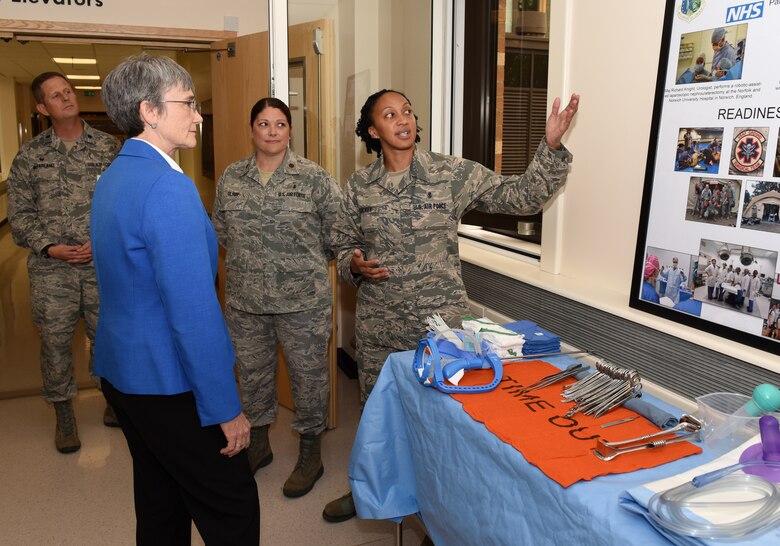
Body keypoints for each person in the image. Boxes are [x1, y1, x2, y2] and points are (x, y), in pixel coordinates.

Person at [323, 88, 579, 522]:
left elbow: (521, 197)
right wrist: (355, 264)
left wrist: (550, 147)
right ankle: (370, 488)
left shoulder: (450, 173)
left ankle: (443, 508)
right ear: (373, 130)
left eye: (407, 110)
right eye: (390, 114)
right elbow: (341, 243)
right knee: (378, 416)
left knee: (446, 419)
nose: (403, 119)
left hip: (441, 327)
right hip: (379, 326)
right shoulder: (359, 186)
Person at [90, 54, 259, 544]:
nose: (198, 115)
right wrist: (224, 408)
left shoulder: (113, 177)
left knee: (160, 498)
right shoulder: (168, 187)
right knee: (232, 506)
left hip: (123, 373)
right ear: (149, 111)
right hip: (169, 382)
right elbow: (193, 313)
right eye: (188, 103)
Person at [212, 97, 343, 498]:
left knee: (308, 380)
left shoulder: (313, 178)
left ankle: (310, 452)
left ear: (290, 131)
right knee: (252, 377)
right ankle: (259, 446)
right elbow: (220, 232)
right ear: (252, 129)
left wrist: (296, 267)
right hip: (246, 302)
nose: (272, 131)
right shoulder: (232, 178)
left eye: (280, 124)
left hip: (302, 303)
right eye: (264, 124)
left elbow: (337, 235)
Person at [7, 72, 121, 454]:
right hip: (51, 271)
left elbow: (124, 204)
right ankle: (64, 415)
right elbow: (20, 216)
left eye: (68, 91)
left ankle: (114, 401)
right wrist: (50, 247)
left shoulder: (108, 148)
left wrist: (103, 241)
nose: (66, 98)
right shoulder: (30, 156)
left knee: (108, 336)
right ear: (43, 108)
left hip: (100, 266)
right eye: (56, 96)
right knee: (55, 344)